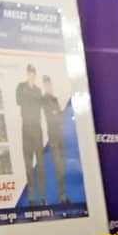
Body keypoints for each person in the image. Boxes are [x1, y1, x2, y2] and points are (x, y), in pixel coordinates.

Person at [16, 64, 45, 206]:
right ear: (27, 74)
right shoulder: (21, 87)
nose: (31, 75)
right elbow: (19, 101)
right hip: (26, 128)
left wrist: (31, 97)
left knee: (40, 164)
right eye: (29, 73)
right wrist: (30, 96)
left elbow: (39, 104)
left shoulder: (38, 90)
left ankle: (43, 196)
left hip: (37, 129)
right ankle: (32, 197)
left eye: (33, 73)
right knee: (28, 165)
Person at [41, 75, 68, 204]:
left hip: (60, 135)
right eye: (46, 84)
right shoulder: (44, 100)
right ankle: (56, 198)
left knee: (63, 166)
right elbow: (51, 116)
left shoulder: (55, 99)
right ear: (44, 86)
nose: (49, 86)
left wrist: (58, 114)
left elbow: (61, 117)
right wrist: (57, 114)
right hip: (52, 138)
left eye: (49, 84)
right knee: (57, 167)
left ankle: (63, 196)